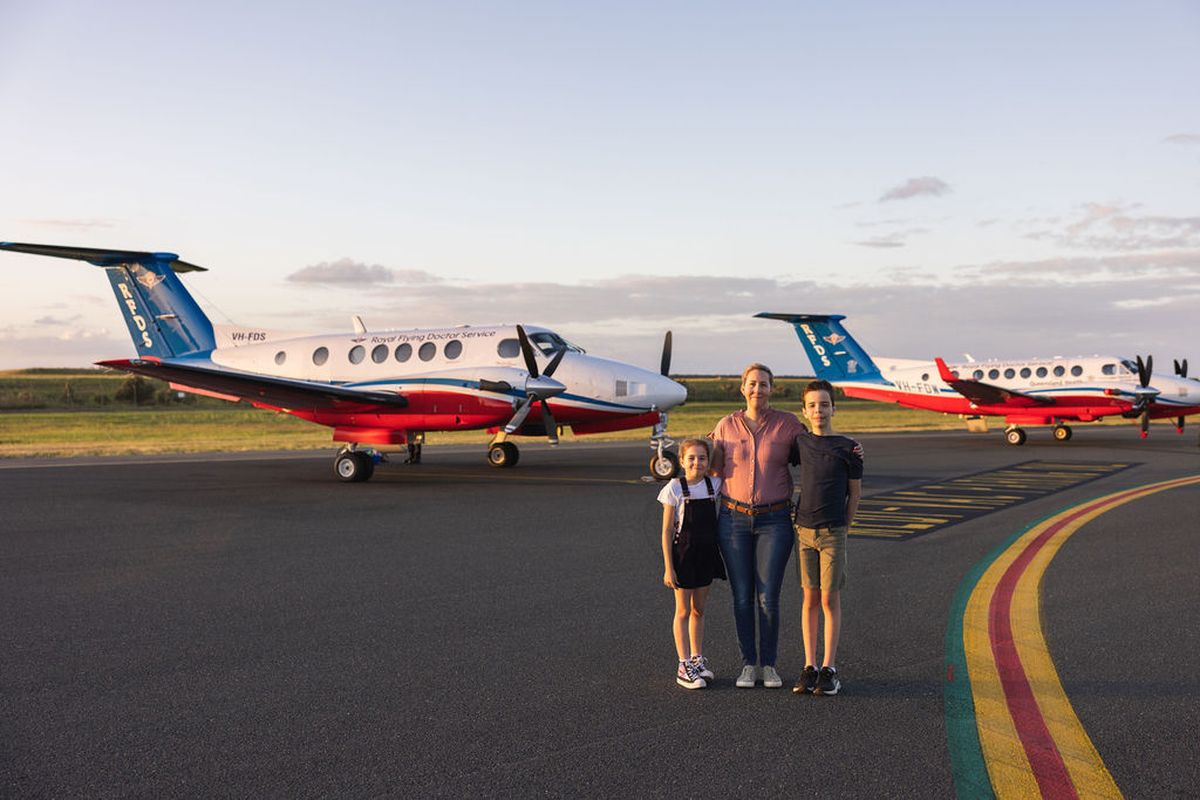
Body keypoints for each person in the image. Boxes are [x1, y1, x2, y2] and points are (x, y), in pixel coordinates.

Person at [708, 363, 807, 688]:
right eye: (752, 384)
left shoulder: (788, 424)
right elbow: (710, 470)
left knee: (768, 597)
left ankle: (769, 665)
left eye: (763, 384)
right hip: (733, 520)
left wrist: (848, 448)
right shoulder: (726, 425)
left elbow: (815, 453)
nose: (757, 389)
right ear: (743, 388)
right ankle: (748, 664)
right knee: (741, 597)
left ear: (771, 389)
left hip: (774, 521)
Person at [790, 379, 862, 697]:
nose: (818, 410)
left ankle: (829, 668)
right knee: (809, 599)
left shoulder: (848, 448)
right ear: (804, 411)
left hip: (833, 532)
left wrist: (845, 526)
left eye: (824, 404)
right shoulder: (800, 443)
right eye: (812, 406)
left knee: (829, 600)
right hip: (804, 531)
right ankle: (810, 666)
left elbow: (854, 493)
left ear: (834, 408)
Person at [658, 438, 726, 689]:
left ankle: (697, 658)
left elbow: (720, 458)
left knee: (699, 610)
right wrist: (669, 567)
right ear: (682, 461)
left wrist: (716, 440)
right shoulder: (675, 488)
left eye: (702, 458)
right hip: (684, 555)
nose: (697, 462)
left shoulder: (713, 484)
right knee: (683, 611)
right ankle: (683, 663)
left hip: (706, 554)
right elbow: (667, 530)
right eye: (691, 458)